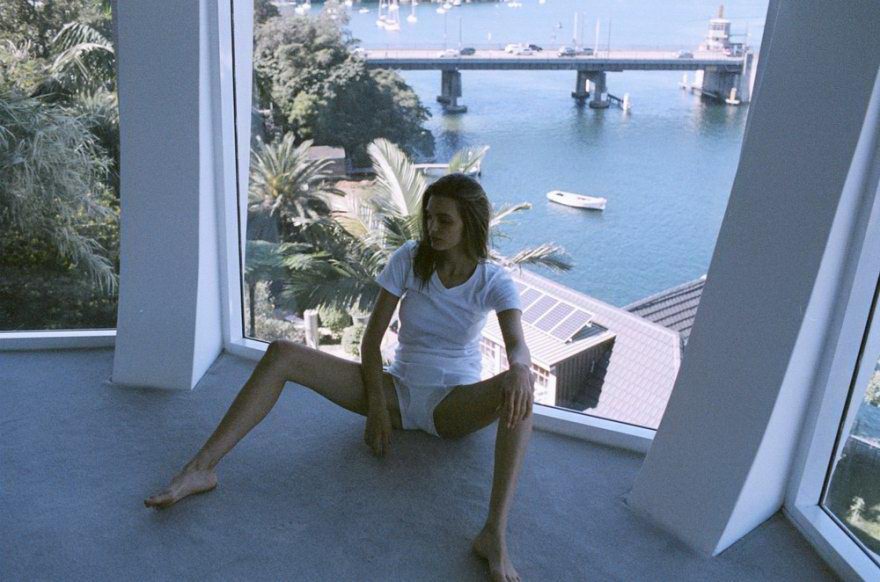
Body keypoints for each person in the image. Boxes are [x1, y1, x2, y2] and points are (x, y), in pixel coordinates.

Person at [144, 173, 536, 582]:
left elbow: (517, 347)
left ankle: (493, 534)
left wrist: (520, 370)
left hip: (451, 406)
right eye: (429, 217)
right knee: (281, 354)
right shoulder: (409, 258)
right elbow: (371, 342)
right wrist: (377, 409)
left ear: (469, 223)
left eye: (444, 220)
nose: (432, 227)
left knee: (520, 387)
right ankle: (200, 468)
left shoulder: (493, 280)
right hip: (394, 392)